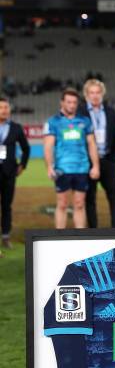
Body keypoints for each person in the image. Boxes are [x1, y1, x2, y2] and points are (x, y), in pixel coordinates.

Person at [44, 88, 99, 229]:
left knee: (80, 204)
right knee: (62, 204)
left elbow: (92, 144)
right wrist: (49, 167)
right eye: (69, 102)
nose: (72, 105)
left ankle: (80, 239)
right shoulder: (53, 122)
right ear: (62, 102)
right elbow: (48, 146)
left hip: (82, 168)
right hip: (62, 169)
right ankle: (59, 238)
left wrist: (95, 166)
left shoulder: (85, 121)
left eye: (74, 102)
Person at [79, 79, 115, 228]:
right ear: (86, 95)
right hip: (89, 163)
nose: (95, 96)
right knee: (90, 198)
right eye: (92, 93)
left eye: (98, 92)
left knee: (113, 196)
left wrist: (114, 159)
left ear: (102, 94)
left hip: (108, 160)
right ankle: (93, 231)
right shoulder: (80, 112)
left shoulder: (110, 111)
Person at [0, 96, 30, 253]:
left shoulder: (16, 128)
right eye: (1, 107)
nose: (4, 110)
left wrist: (22, 165)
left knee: (6, 206)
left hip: (9, 173)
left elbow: (26, 148)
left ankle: (5, 236)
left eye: (6, 107)